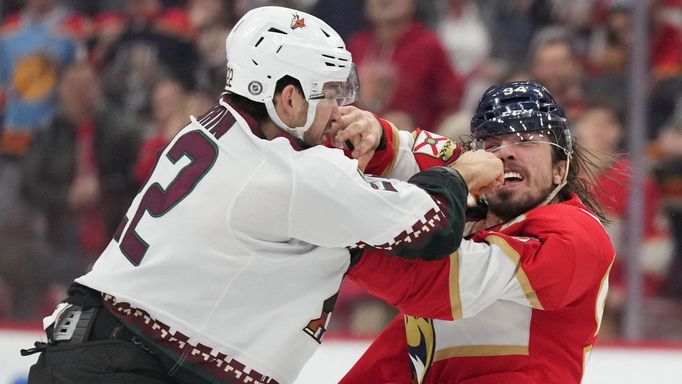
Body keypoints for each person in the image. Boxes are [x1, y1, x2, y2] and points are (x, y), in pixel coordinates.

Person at [23, 6, 504, 384]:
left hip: (102, 350)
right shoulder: (286, 173)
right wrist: (460, 173)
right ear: (288, 98)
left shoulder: (212, 129)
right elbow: (432, 227)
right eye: (330, 93)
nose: (340, 109)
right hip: (137, 366)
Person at [341, 81, 615, 383]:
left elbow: (445, 280)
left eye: (526, 140)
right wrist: (368, 134)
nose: (505, 153)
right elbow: (404, 151)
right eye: (493, 143)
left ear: (559, 169)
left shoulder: (575, 237)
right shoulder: (472, 201)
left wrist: (344, 240)